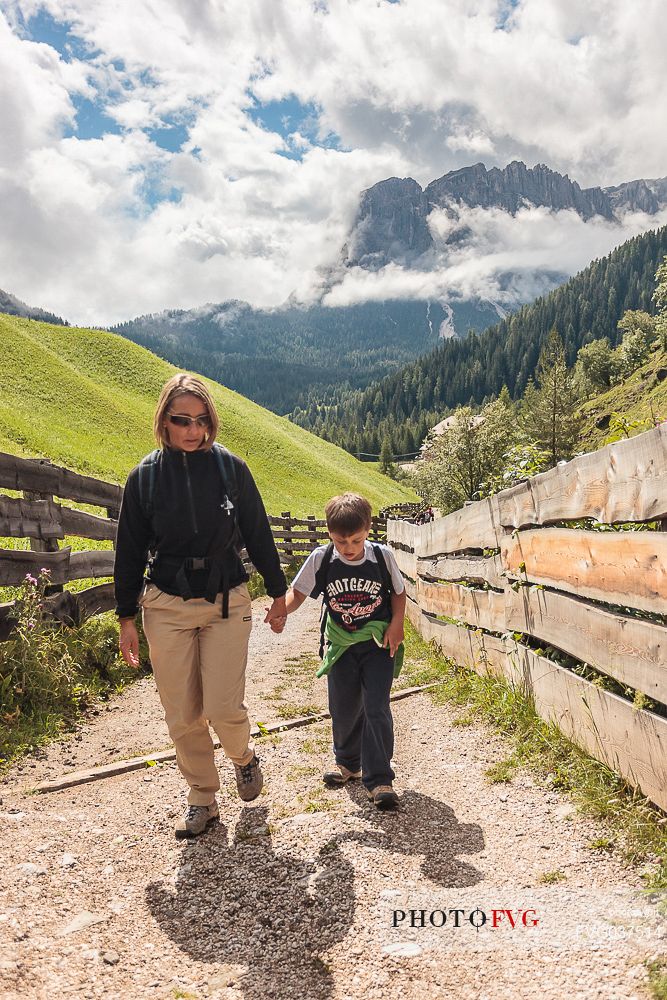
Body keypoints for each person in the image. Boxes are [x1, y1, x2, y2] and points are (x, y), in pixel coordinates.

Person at [114, 373, 287, 838]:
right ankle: (202, 798)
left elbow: (258, 532)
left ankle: (244, 758)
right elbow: (128, 549)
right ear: (164, 422)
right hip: (165, 605)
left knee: (223, 706)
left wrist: (278, 593)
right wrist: (125, 617)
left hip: (226, 600)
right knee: (182, 713)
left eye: (202, 419)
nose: (193, 429)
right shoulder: (145, 478)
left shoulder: (232, 470)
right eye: (182, 420)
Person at [270, 493, 406, 810]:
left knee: (376, 707)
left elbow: (399, 593)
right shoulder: (322, 558)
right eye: (341, 541)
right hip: (340, 645)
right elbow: (299, 592)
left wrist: (396, 623)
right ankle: (348, 763)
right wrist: (282, 612)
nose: (348, 548)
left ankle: (380, 779)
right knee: (343, 707)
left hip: (377, 644)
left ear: (368, 530)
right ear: (330, 534)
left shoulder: (381, 556)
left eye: (355, 541)